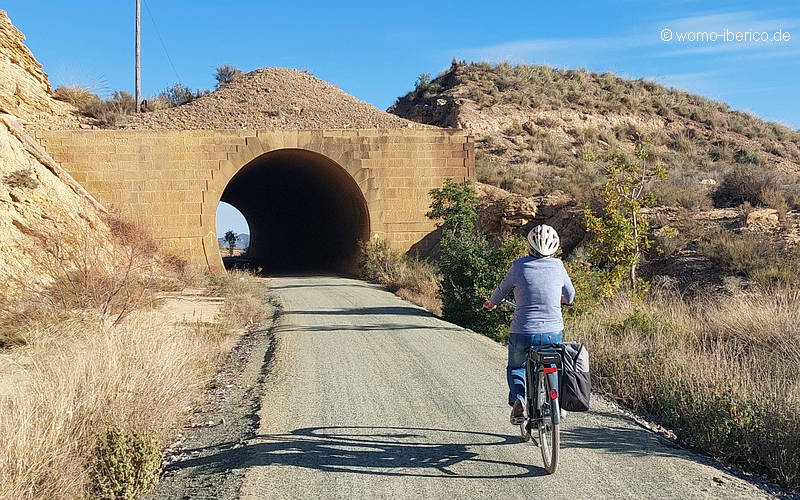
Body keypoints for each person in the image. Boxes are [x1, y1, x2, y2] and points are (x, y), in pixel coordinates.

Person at [483, 224, 575, 424]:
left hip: (522, 331)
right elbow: (570, 295)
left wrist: (491, 304)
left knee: (516, 366)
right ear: (555, 247)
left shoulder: (518, 266)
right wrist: (561, 300)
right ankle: (556, 402)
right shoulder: (559, 266)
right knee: (553, 364)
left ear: (529, 246)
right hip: (552, 332)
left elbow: (501, 291)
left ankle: (518, 401)